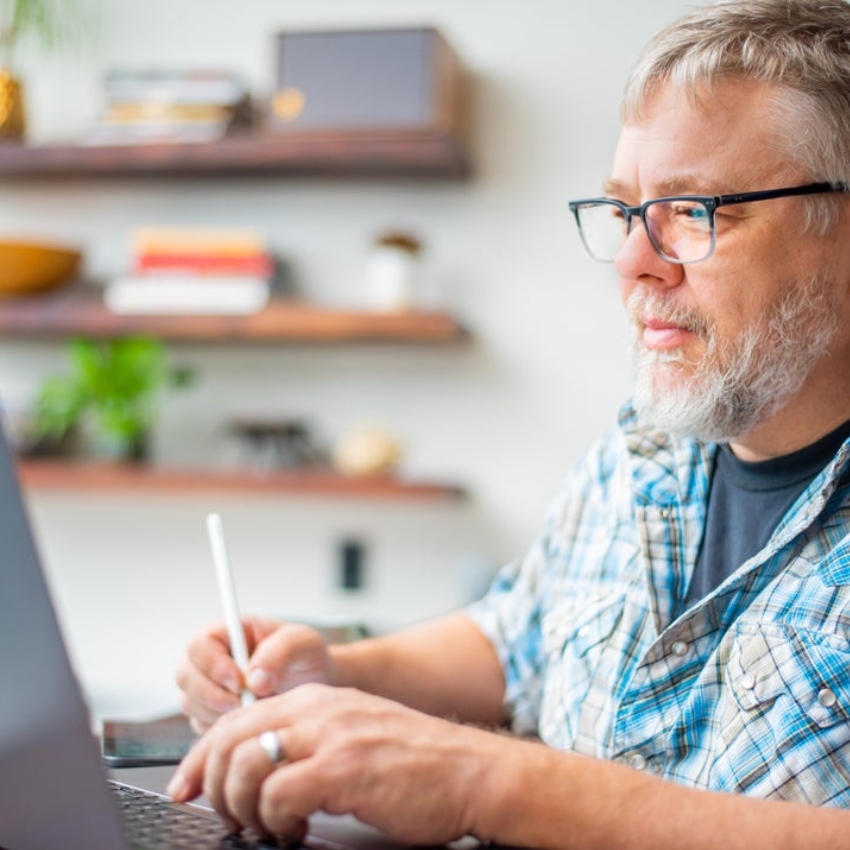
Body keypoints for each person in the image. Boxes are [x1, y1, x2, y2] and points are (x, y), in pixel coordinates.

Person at [168, 1, 850, 847]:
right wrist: (332, 674)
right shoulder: (641, 449)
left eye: (696, 210)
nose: (635, 264)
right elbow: (511, 641)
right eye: (624, 213)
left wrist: (493, 781)